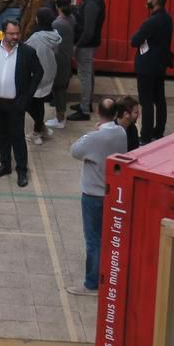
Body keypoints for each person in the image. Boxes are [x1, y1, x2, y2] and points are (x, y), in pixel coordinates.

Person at [66, 96, 127, 296]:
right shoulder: (121, 133)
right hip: (111, 193)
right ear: (117, 114)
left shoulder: (94, 137)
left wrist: (94, 131)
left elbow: (74, 151)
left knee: (93, 240)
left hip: (92, 194)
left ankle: (92, 283)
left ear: (98, 114)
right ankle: (108, 276)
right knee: (108, 237)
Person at [0, 19, 43, 188]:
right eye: (11, 33)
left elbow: (38, 73)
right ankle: (5, 164)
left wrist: (26, 98)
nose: (15, 37)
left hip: (16, 104)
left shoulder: (27, 52)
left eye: (17, 33)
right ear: (4, 33)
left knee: (17, 136)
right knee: (1, 134)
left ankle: (21, 169)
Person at [130, 0, 174, 143]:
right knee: (160, 100)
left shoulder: (151, 22)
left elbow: (134, 41)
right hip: (160, 65)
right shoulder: (168, 19)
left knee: (146, 102)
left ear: (155, 1)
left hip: (147, 66)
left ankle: (146, 135)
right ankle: (159, 130)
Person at [72, 0, 106, 121]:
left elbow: (88, 29)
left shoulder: (91, 3)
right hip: (89, 43)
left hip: (86, 45)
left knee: (85, 76)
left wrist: (78, 45)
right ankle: (87, 103)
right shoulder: (93, 0)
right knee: (88, 74)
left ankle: (84, 109)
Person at [24, 9, 61, 145]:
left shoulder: (37, 37)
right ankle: (41, 128)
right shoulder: (54, 35)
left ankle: (37, 130)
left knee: (29, 102)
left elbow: (26, 51)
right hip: (49, 71)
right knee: (38, 102)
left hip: (37, 73)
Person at [46, 0, 77, 130]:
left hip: (58, 59)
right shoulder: (71, 18)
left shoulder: (58, 23)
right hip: (66, 57)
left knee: (58, 89)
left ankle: (60, 118)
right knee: (61, 88)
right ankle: (60, 117)